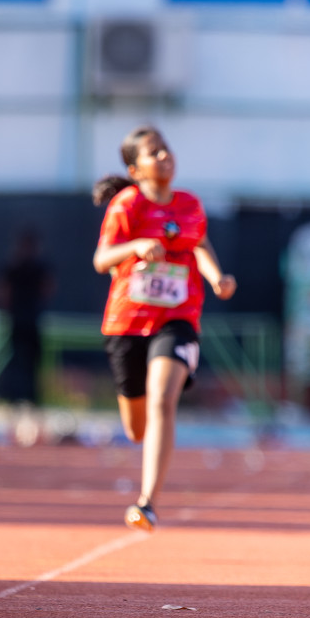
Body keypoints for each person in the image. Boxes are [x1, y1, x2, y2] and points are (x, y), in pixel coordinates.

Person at [92, 127, 236, 531]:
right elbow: (102, 259)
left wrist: (216, 277)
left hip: (178, 319)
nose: (164, 157)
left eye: (166, 149)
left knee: (162, 400)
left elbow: (199, 245)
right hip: (128, 323)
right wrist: (136, 247)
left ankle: (147, 502)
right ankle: (146, 456)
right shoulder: (127, 205)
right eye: (154, 153)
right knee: (137, 426)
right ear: (136, 168)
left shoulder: (189, 204)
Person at [0, 227, 55, 406]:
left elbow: (48, 287)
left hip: (32, 321)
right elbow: (3, 290)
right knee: (15, 360)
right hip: (17, 321)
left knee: (32, 361)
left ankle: (30, 397)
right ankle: (13, 396)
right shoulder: (13, 267)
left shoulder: (38, 267)